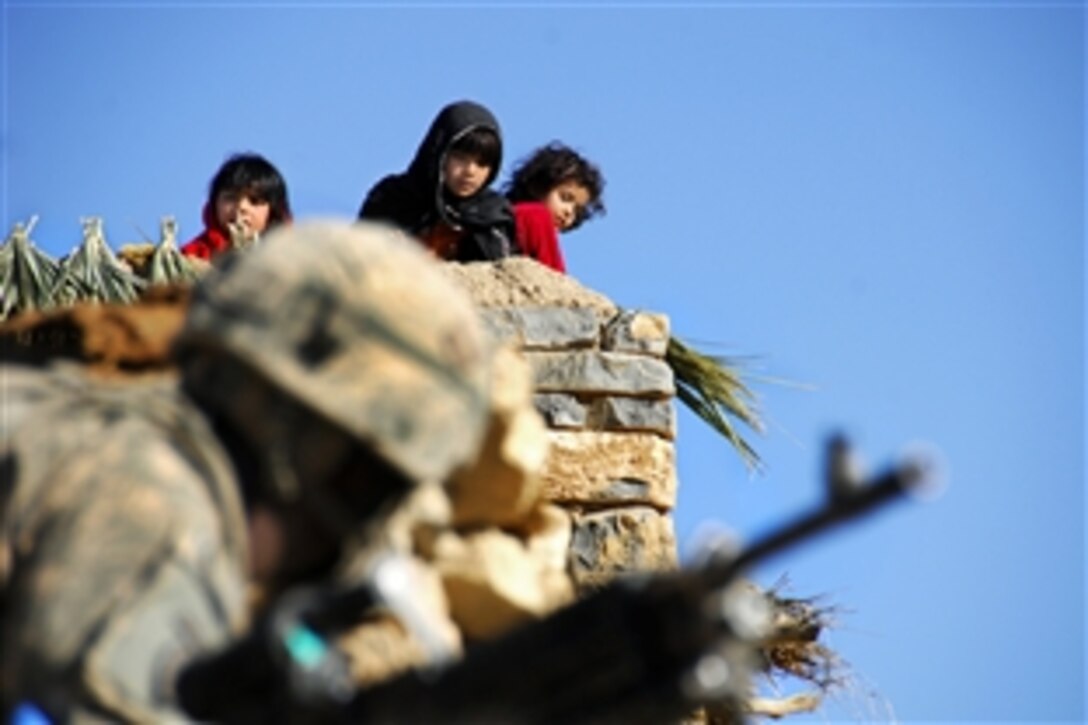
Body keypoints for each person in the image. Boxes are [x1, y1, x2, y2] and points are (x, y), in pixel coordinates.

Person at [0, 221, 496, 722]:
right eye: (367, 484)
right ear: (291, 429)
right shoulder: (151, 509)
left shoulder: (76, 433)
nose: (354, 534)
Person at [358, 100, 517, 262]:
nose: (470, 171)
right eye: (460, 158)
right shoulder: (391, 198)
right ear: (439, 152)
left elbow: (498, 276)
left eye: (482, 163)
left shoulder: (492, 217)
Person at [503, 142, 606, 274]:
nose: (569, 212)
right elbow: (555, 276)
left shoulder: (512, 214)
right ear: (538, 187)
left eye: (577, 210)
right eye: (565, 198)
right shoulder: (535, 215)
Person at [180, 153, 293, 261]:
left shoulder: (290, 254)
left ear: (273, 211)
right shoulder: (193, 254)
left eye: (254, 201)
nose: (241, 207)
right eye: (230, 198)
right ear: (214, 205)